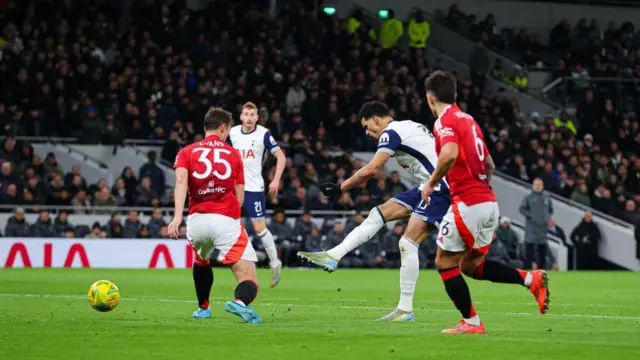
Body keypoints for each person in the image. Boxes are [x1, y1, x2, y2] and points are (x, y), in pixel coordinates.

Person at [298, 100, 451, 322]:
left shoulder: (391, 132)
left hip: (440, 189)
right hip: (429, 186)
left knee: (408, 243)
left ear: (376, 119)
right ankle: (334, 255)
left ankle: (405, 310)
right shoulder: (409, 125)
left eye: (367, 127)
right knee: (378, 213)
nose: (368, 133)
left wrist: (341, 187)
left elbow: (372, 168)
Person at [421, 71, 549, 334]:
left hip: (468, 203)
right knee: (470, 266)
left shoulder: (444, 121)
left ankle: (471, 322)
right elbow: (489, 163)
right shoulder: (469, 120)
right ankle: (530, 279)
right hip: (488, 202)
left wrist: (431, 183)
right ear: (454, 94)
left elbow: (449, 155)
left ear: (430, 98)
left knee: (444, 262)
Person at [168, 107, 262, 324]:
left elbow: (181, 183)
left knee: (201, 260)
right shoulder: (235, 155)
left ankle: (203, 308)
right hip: (225, 219)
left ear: (205, 127)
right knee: (249, 279)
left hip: (196, 221)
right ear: (223, 127)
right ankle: (239, 303)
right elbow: (239, 198)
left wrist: (176, 217)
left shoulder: (186, 152)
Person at [228, 102, 286, 287]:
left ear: (257, 117)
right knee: (228, 226)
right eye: (246, 114)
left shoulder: (263, 134)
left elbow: (281, 156)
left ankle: (275, 262)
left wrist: (276, 179)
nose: (250, 117)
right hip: (234, 188)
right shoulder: (233, 133)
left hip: (253, 188)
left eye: (253, 114)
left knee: (259, 228)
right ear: (241, 116)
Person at [519, 178, 554, 269]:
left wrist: (547, 218)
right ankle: (528, 271)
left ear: (542, 186)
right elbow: (521, 209)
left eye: (540, 185)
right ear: (533, 186)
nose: (538, 187)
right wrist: (530, 216)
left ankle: (541, 272)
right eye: (536, 185)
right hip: (532, 229)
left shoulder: (547, 198)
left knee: (542, 251)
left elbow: (551, 210)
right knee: (529, 251)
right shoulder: (528, 198)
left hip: (543, 229)